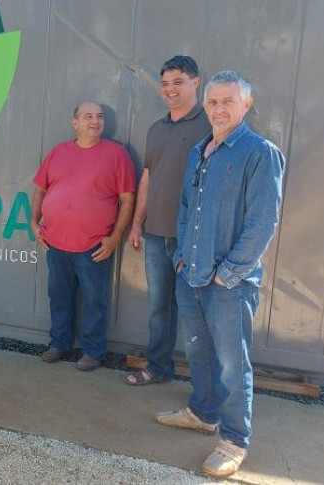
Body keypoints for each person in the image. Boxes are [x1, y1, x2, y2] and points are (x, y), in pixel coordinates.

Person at [155, 71, 285, 478]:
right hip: (190, 274)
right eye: (213, 102)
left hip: (229, 283)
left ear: (246, 104)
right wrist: (179, 261)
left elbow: (263, 222)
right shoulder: (200, 151)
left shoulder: (259, 152)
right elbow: (187, 207)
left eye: (228, 101)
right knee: (197, 350)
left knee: (232, 363)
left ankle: (233, 440)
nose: (219, 109)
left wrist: (228, 275)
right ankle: (203, 413)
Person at [30, 102, 136, 371]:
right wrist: (33, 222)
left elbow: (127, 199)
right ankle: (59, 343)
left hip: (94, 244)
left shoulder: (116, 154)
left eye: (99, 116)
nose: (95, 121)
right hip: (56, 242)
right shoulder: (58, 152)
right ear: (74, 122)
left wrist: (114, 237)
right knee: (59, 296)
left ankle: (93, 351)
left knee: (94, 300)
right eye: (88, 116)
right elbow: (41, 190)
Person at [125, 56, 211, 386]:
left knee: (195, 314)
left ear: (195, 82)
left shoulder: (210, 124)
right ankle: (158, 368)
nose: (170, 90)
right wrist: (137, 223)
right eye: (165, 84)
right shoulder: (156, 128)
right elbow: (148, 176)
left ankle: (204, 387)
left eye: (178, 82)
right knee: (159, 308)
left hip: (192, 238)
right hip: (156, 234)